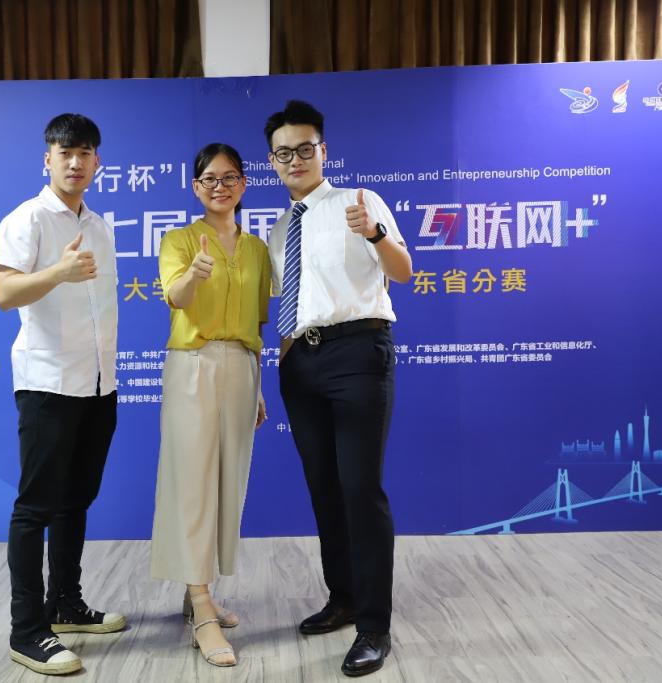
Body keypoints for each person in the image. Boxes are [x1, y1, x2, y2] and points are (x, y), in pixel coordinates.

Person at [263, 100, 413, 678]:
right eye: (283, 153)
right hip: (300, 363)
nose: (295, 159)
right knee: (324, 488)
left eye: (305, 148)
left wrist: (374, 233)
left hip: (358, 352)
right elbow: (289, 305)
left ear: (323, 150)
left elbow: (402, 271)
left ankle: (374, 626)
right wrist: (284, 361)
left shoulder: (360, 201)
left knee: (359, 488)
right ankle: (344, 597)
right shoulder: (279, 229)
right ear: (272, 161)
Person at [0, 113, 125, 676]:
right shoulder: (26, 218)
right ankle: (27, 630)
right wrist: (58, 272)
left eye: (85, 153)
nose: (75, 162)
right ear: (47, 158)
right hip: (48, 383)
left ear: (97, 162)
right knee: (35, 507)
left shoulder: (100, 225)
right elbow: (5, 293)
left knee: (76, 500)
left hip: (98, 383)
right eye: (65, 152)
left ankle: (66, 604)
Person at [150, 142, 271, 668]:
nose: (219, 187)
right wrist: (194, 273)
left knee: (227, 483)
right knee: (192, 482)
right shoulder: (178, 240)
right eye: (209, 179)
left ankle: (198, 588)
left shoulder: (258, 249)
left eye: (229, 177)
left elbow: (258, 321)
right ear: (195, 187)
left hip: (242, 366)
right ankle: (202, 609)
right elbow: (176, 297)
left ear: (243, 183)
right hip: (193, 364)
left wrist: (258, 385)